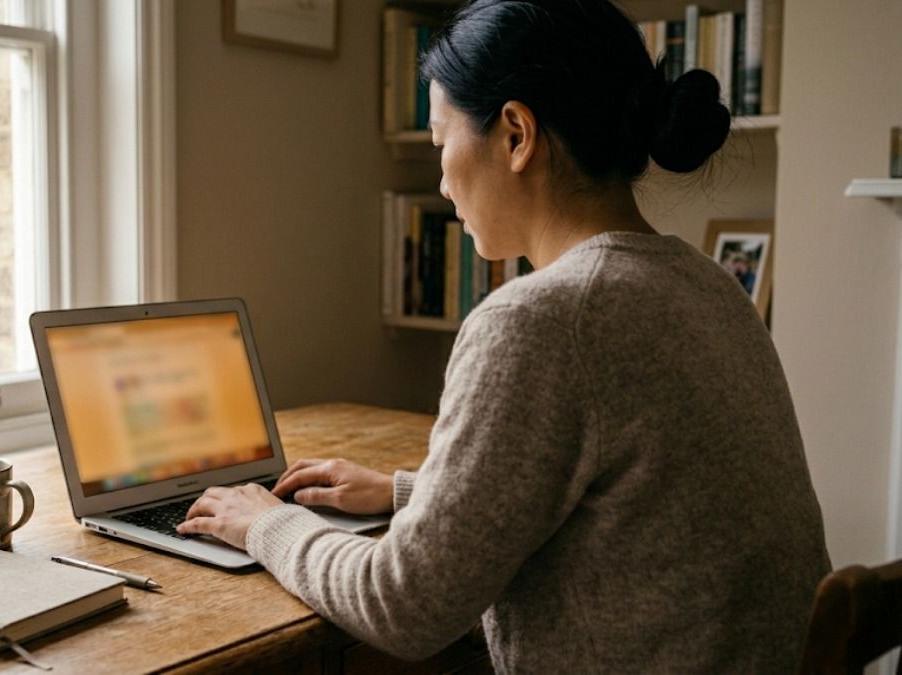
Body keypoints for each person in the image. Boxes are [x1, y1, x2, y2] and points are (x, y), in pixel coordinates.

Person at [177, 0, 831, 670]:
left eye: (441, 143)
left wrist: (265, 523)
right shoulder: (707, 284)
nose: (441, 180)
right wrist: (411, 493)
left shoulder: (539, 320)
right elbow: (631, 507)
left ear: (516, 133)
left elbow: (402, 606)